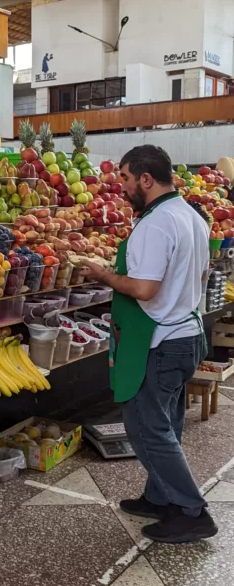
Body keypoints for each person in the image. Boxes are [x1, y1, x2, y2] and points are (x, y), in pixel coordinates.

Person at [83, 144, 217, 544]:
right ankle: (160, 497)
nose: (120, 185)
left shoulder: (157, 223)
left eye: (124, 177)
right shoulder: (191, 215)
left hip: (158, 341)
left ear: (145, 178)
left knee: (148, 429)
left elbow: (144, 288)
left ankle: (192, 511)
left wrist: (103, 275)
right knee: (168, 424)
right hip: (187, 333)